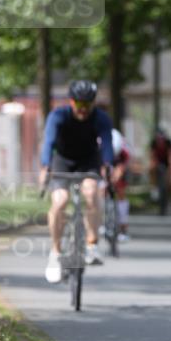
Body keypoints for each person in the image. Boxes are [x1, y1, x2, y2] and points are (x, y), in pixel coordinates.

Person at [39, 80, 113, 283]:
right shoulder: (58, 116)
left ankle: (91, 245)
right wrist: (45, 166)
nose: (83, 110)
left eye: (87, 105)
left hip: (89, 161)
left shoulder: (101, 119)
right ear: (71, 102)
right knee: (60, 201)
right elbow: (48, 142)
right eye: (79, 105)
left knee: (90, 193)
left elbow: (106, 145)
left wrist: (108, 165)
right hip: (62, 161)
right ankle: (55, 253)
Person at [111, 129, 131, 240]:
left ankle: (123, 226)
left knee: (121, 192)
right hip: (103, 162)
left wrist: (119, 172)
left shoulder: (123, 149)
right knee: (100, 189)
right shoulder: (98, 144)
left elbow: (124, 164)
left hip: (119, 165)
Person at [149, 126, 171, 214]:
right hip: (157, 164)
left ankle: (165, 204)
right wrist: (153, 166)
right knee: (156, 182)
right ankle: (154, 192)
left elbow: (170, 156)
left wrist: (170, 169)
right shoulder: (154, 143)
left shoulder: (168, 143)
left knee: (165, 185)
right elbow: (152, 155)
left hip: (166, 165)